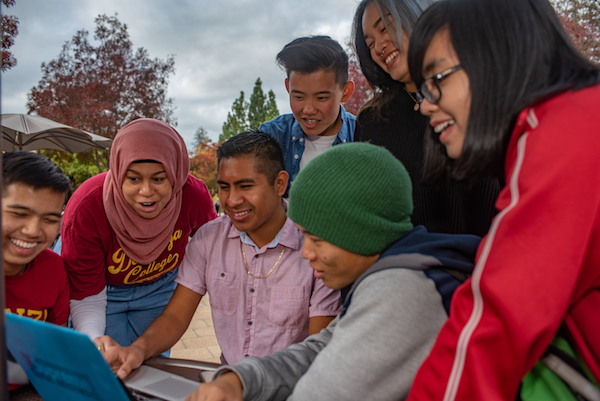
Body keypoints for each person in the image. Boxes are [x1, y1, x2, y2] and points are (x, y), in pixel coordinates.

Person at [403, 0, 600, 399]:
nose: (424, 104)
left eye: (437, 77)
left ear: (497, 55)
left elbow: (492, 322)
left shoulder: (562, 130)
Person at [184, 142, 482, 401]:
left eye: (317, 239)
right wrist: (241, 380)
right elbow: (323, 348)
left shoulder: (401, 293)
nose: (306, 252)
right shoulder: (395, 270)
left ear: (360, 231)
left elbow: (322, 393)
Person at [100, 130, 341, 376]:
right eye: (224, 187)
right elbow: (175, 316)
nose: (232, 200)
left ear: (279, 183)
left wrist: (248, 383)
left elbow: (317, 348)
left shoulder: (317, 247)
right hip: (227, 383)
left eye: (245, 186)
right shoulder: (208, 239)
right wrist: (138, 349)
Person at [60, 118, 217, 349]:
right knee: (111, 370)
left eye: (158, 179)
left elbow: (213, 250)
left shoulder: (193, 195)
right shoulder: (87, 208)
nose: (146, 191)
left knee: (151, 368)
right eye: (133, 178)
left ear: (176, 174)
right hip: (102, 294)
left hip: (162, 286)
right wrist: (95, 340)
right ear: (118, 172)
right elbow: (86, 293)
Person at [352, 0, 499, 236]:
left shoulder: (479, 93)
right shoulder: (372, 121)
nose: (379, 46)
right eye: (370, 44)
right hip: (403, 266)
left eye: (386, 27)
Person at [3, 151, 72, 389]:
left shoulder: (53, 269)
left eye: (50, 219)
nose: (33, 231)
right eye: (19, 214)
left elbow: (56, 341)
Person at [259, 35, 356, 195]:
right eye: (299, 97)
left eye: (321, 98)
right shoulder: (272, 135)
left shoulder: (363, 136)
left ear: (346, 92)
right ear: (288, 87)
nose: (308, 109)